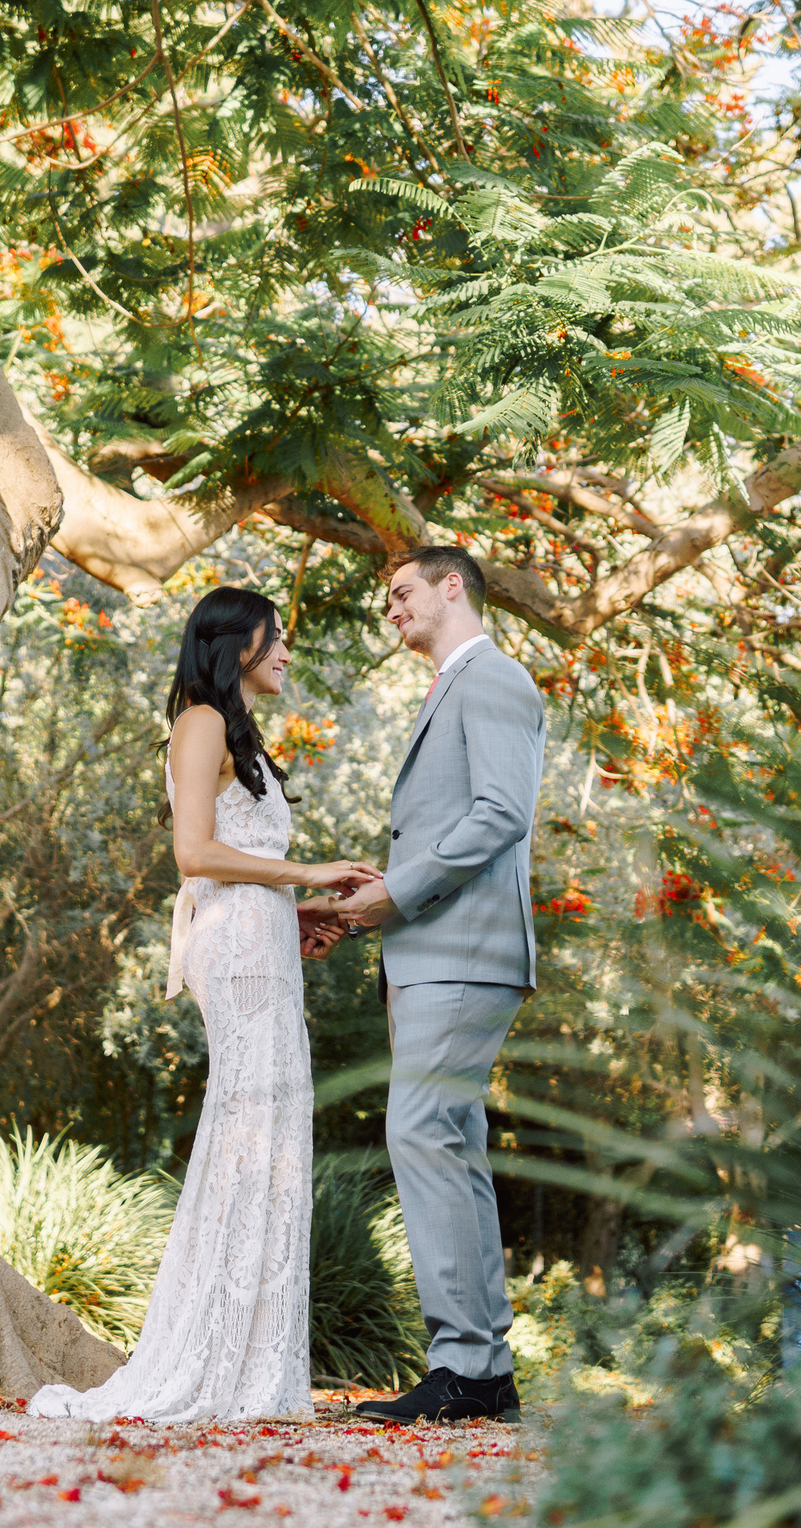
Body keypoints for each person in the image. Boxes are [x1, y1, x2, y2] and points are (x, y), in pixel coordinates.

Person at [29, 586, 374, 1424]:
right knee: (250, 1124)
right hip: (234, 949)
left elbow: (233, 858)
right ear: (233, 641)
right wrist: (309, 873)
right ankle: (210, 1359)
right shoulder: (200, 722)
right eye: (276, 635)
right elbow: (193, 852)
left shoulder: (236, 733)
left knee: (277, 1127)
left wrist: (297, 917)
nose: (287, 649)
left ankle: (254, 1364)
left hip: (260, 945)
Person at [331, 546, 546, 1425]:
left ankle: (464, 1367)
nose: (392, 611)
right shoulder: (455, 685)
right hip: (434, 954)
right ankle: (482, 1369)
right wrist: (367, 902)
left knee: (419, 1127)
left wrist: (399, 890)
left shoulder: (492, 678)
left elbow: (501, 811)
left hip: (462, 950)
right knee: (449, 1140)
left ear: (452, 585)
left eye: (402, 593)